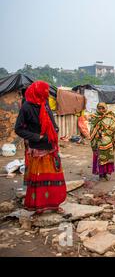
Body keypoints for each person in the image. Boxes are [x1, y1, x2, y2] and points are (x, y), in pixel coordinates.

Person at [14, 81, 66, 214]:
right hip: (38, 149)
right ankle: (39, 206)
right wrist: (38, 137)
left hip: (51, 147)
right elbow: (18, 129)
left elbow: (50, 119)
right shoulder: (26, 107)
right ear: (37, 92)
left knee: (54, 178)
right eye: (45, 91)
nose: (47, 94)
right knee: (40, 180)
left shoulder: (44, 102)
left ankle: (54, 204)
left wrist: (55, 129)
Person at [90, 102, 115, 181]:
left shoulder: (110, 117)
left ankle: (106, 174)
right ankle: (101, 175)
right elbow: (92, 130)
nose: (101, 110)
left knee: (108, 158)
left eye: (103, 108)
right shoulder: (94, 117)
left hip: (108, 142)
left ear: (106, 108)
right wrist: (98, 134)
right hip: (98, 142)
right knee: (100, 158)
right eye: (99, 108)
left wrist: (105, 132)